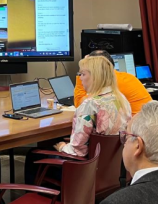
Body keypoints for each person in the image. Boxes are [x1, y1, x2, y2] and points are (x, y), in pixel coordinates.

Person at [25, 56, 132, 185]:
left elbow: (78, 151)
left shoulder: (89, 105)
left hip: (84, 174)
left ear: (95, 76)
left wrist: (63, 147)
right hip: (112, 173)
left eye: (82, 74)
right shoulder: (122, 100)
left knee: (33, 155)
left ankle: (37, 200)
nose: (80, 78)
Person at [74, 50, 152, 115]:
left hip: (135, 129)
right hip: (146, 125)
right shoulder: (127, 76)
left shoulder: (109, 83)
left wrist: (82, 70)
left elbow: (80, 105)